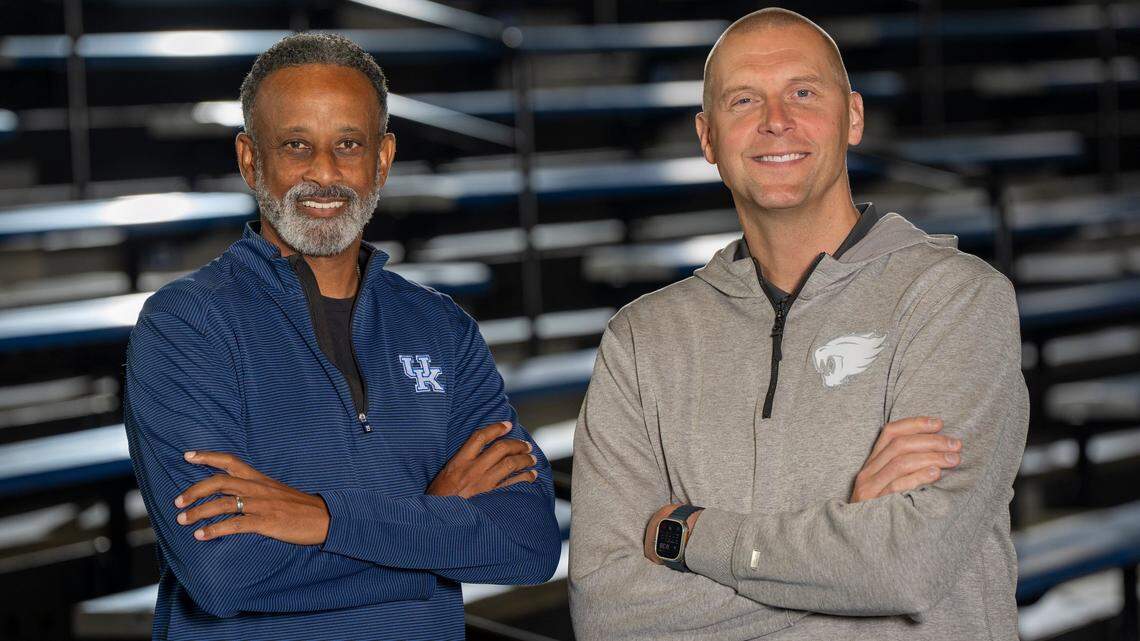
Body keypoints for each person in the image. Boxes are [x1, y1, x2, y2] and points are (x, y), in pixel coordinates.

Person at [569, 8, 1028, 640]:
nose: (775, 121)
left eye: (803, 93)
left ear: (854, 118)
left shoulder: (954, 301)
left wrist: (690, 536)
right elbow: (606, 612)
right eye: (744, 99)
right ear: (707, 138)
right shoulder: (641, 342)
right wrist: (850, 548)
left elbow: (907, 565)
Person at [123, 33, 560, 641]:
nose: (324, 174)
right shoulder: (186, 326)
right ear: (251, 159)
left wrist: (319, 518)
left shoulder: (443, 328)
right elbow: (222, 573)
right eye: (297, 145)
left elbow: (528, 543)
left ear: (382, 159)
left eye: (348, 145)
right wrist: (432, 520)